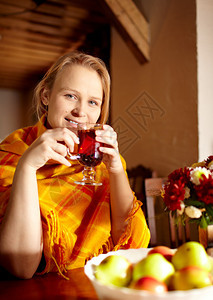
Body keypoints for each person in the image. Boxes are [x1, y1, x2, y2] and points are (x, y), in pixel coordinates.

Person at [0, 51, 150, 279]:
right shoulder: (11, 153)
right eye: (70, 96)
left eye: (93, 102)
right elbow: (22, 266)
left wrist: (116, 169)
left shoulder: (103, 160)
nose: (81, 112)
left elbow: (134, 246)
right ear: (45, 96)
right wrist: (27, 167)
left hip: (94, 286)